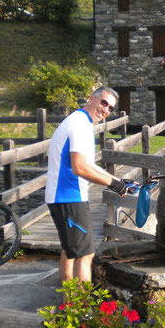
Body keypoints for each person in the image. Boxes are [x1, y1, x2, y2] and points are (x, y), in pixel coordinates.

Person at [45, 86, 128, 282]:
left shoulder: (77, 120)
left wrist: (117, 181)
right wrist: (113, 184)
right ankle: (81, 310)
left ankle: (70, 307)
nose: (106, 109)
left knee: (70, 251)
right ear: (92, 99)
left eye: (110, 108)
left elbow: (88, 164)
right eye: (103, 103)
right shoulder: (80, 125)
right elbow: (80, 167)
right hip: (69, 196)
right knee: (85, 255)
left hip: (63, 196)